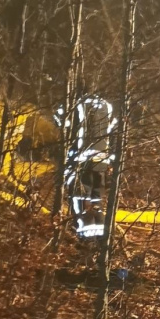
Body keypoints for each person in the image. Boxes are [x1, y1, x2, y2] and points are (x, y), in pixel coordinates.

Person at [56, 96, 117, 239]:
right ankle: (100, 237)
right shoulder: (107, 106)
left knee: (80, 198)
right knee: (97, 200)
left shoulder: (75, 104)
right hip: (101, 162)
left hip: (81, 162)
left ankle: (86, 237)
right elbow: (115, 130)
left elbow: (60, 121)